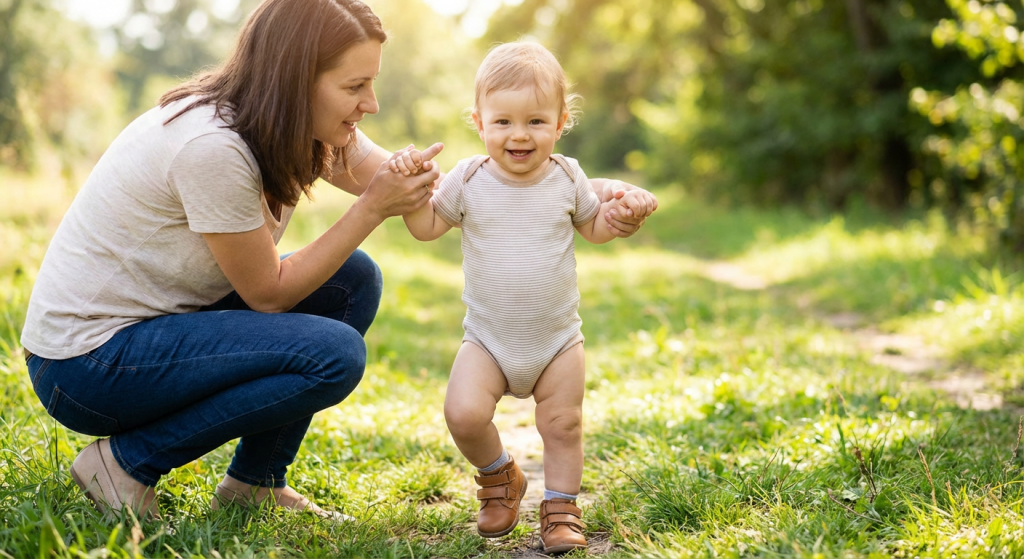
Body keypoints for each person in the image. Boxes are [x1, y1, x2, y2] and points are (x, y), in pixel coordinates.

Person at [20, 0, 652, 522]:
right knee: (332, 354)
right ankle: (125, 463)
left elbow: (430, 194)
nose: (370, 103)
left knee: (352, 283)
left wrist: (588, 197)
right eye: (355, 86)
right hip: (89, 364)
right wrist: (370, 209)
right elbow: (270, 293)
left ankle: (255, 483)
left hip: (158, 333)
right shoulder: (212, 147)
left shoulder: (302, 127)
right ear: (298, 81)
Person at [395, 41, 657, 553]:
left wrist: (622, 215)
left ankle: (561, 510)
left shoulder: (566, 176)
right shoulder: (467, 178)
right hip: (488, 339)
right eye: (503, 122)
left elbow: (594, 227)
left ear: (560, 123)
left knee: (563, 424)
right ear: (479, 122)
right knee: (463, 414)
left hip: (558, 339)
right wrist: (410, 191)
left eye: (536, 121)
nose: (519, 135)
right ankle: (500, 478)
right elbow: (426, 227)